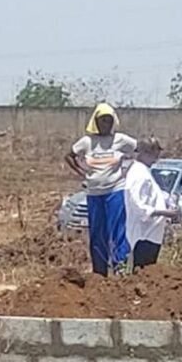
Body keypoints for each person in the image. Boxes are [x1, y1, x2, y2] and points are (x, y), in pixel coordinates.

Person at [66, 102, 136, 276]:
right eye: (102, 120)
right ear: (95, 122)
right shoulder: (87, 142)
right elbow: (69, 156)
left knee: (118, 229)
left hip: (115, 190)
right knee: (97, 232)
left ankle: (120, 267)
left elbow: (139, 149)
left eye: (108, 120)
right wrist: (81, 172)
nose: (105, 123)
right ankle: (99, 271)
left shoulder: (120, 140)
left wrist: (130, 168)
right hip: (94, 193)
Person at [124, 137, 179, 269]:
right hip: (143, 235)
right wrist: (165, 212)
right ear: (144, 153)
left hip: (151, 233)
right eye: (153, 154)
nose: (156, 158)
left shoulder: (143, 171)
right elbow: (137, 205)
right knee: (143, 271)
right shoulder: (138, 173)